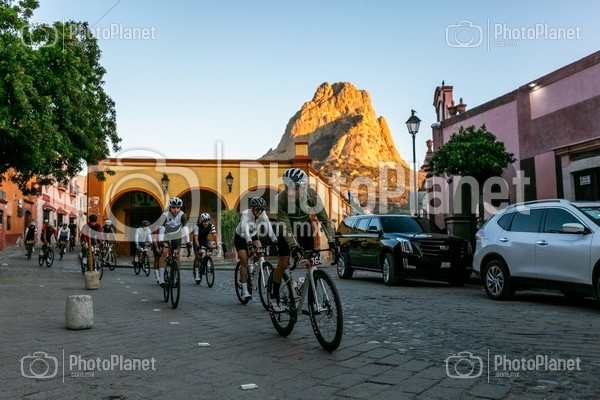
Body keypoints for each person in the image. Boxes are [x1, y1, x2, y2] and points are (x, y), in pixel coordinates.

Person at [271, 168, 337, 312]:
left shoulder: (311, 196)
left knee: (311, 261)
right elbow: (285, 227)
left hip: (304, 225)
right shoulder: (280, 199)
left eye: (294, 188)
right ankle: (274, 296)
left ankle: (312, 301)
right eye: (287, 187)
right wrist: (293, 246)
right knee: (283, 261)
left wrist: (332, 240)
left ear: (303, 188)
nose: (290, 192)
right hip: (286, 226)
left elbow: (324, 220)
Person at [234, 197, 278, 298]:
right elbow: (244, 229)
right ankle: (244, 289)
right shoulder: (246, 214)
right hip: (241, 237)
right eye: (258, 209)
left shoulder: (263, 214)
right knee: (244, 261)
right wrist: (249, 243)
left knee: (260, 251)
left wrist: (275, 240)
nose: (260, 211)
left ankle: (254, 272)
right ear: (252, 208)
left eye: (262, 209)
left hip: (253, 235)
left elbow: (268, 227)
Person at [155, 197, 191, 287]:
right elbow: (161, 229)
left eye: (178, 207)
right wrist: (161, 242)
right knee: (164, 252)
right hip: (166, 234)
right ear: (170, 208)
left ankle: (175, 276)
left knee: (177, 255)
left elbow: (186, 229)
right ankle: (161, 278)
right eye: (173, 207)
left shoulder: (183, 215)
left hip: (176, 235)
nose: (176, 210)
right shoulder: (165, 215)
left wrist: (188, 242)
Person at [192, 212, 218, 283]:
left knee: (211, 246)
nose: (206, 223)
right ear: (201, 221)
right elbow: (196, 238)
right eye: (204, 221)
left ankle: (207, 259)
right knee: (198, 256)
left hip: (204, 240)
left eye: (207, 221)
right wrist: (198, 247)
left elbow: (215, 235)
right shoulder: (197, 226)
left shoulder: (211, 225)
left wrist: (217, 245)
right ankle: (196, 272)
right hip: (197, 241)